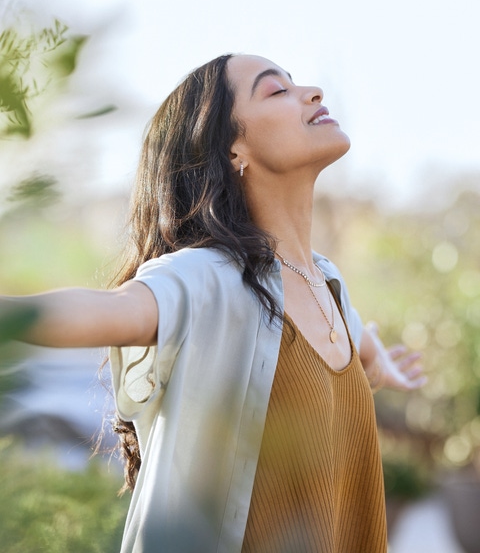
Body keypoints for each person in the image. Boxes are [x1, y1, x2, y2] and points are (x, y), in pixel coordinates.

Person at [1, 54, 426, 552]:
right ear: (232, 151)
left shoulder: (327, 282)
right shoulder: (207, 277)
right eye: (276, 91)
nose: (312, 92)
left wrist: (375, 360)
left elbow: (352, 338)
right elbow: (111, 311)